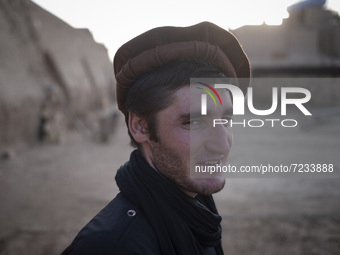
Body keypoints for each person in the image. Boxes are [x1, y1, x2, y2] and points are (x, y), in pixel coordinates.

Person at [61, 21, 250, 255]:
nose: (222, 145)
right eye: (192, 122)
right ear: (140, 127)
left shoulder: (197, 208)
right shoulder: (111, 247)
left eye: (225, 120)